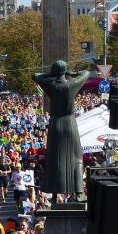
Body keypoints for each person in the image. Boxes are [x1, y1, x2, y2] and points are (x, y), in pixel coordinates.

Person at [33, 60, 90, 201]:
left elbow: (35, 76)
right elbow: (86, 73)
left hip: (55, 123)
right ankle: (79, 192)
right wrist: (72, 73)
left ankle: (54, 194)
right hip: (69, 123)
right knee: (77, 157)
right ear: (65, 71)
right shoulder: (72, 84)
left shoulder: (51, 85)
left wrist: (51, 74)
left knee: (54, 158)